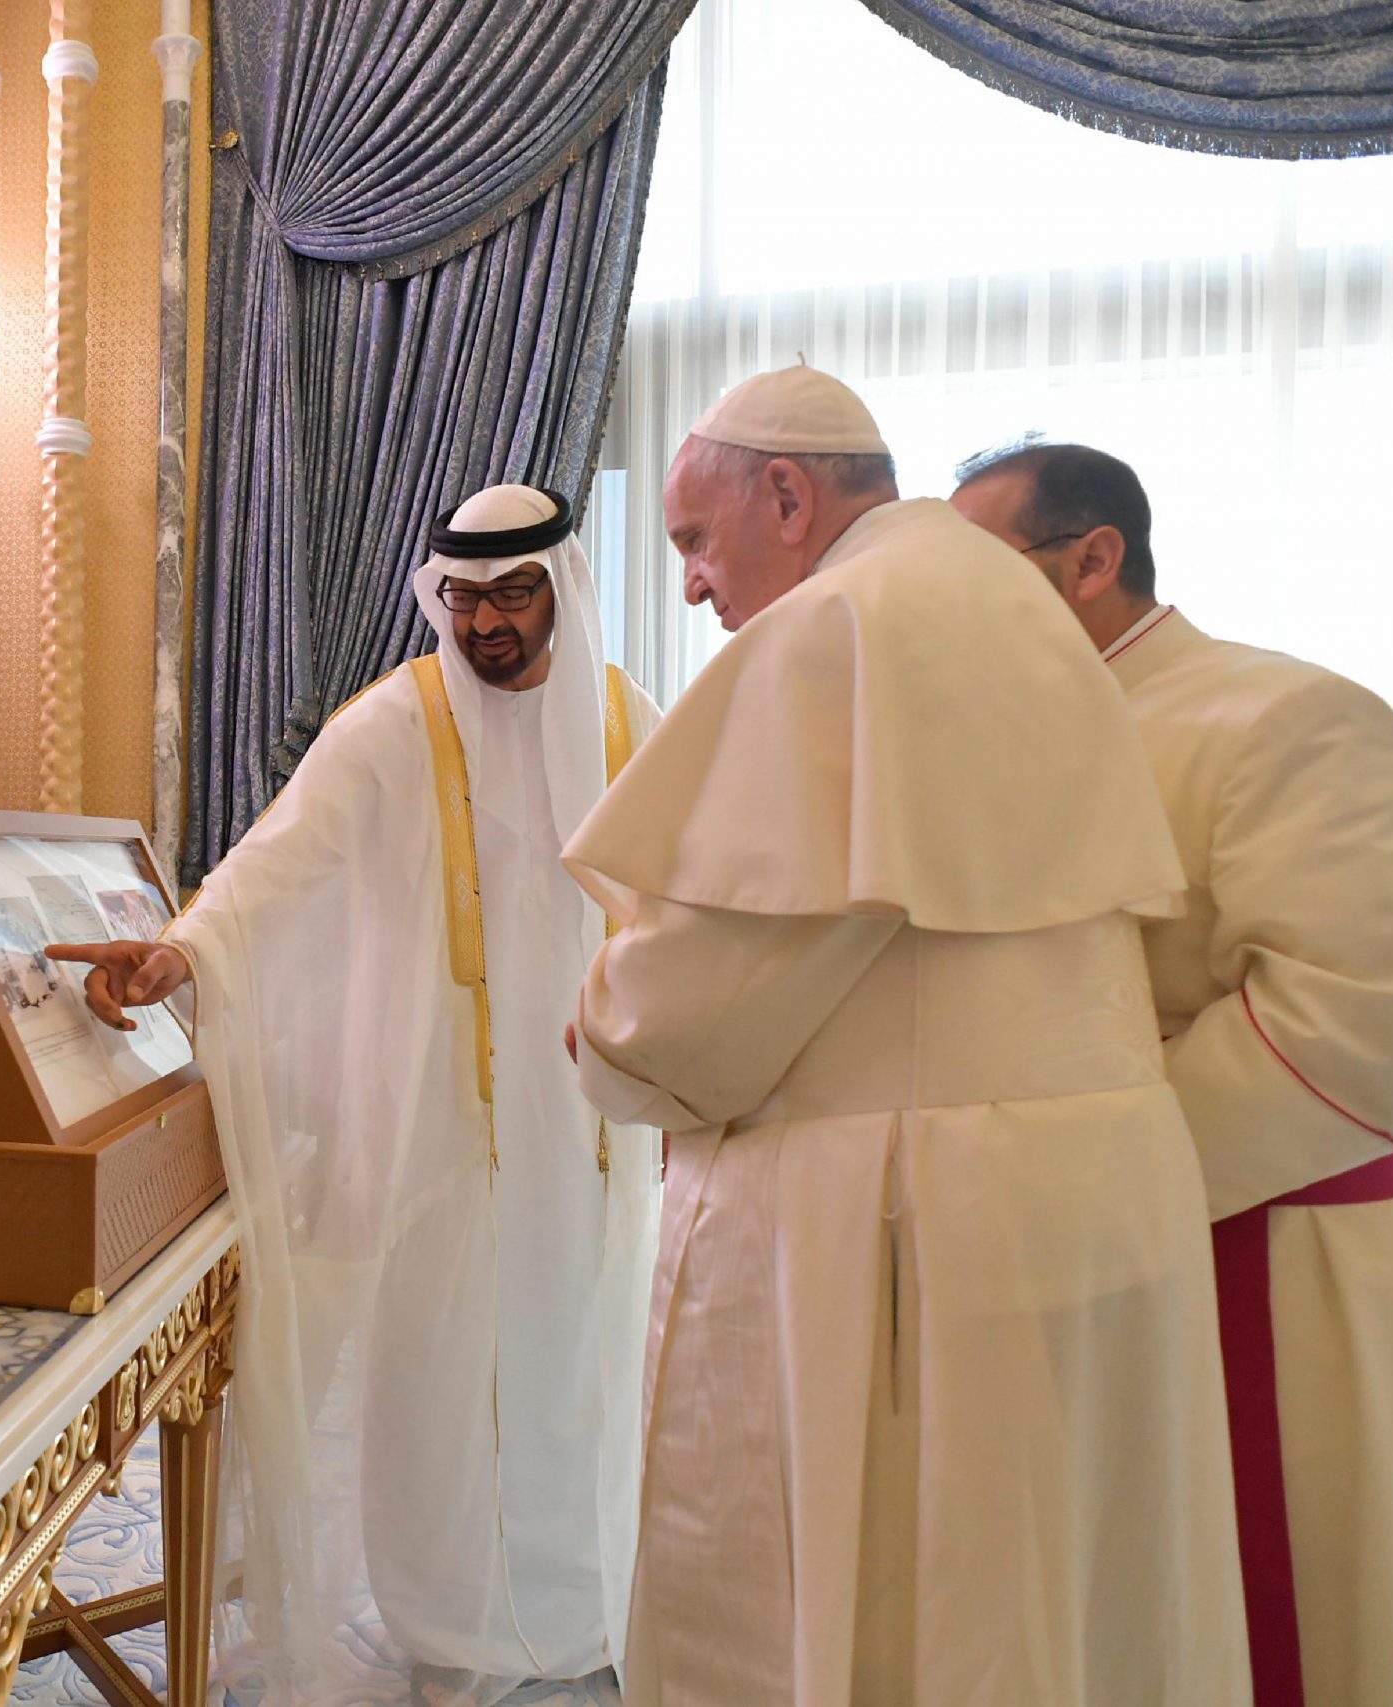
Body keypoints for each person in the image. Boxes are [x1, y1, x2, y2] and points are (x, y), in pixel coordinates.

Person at [565, 367, 1248, 1706]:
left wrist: (599, 1029)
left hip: (910, 1216)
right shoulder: (1012, 601)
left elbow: (708, 990)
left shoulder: (847, 622)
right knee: (1061, 1599)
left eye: (697, 539)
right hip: (1084, 1187)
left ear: (787, 493)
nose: (694, 584)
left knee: (905, 1615)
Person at [54, 484, 661, 1701]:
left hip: (593, 1120)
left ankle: (579, 1595)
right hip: (439, 1121)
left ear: (561, 588)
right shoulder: (394, 721)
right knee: (437, 1370)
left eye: (514, 593)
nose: (486, 621)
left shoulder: (624, 720)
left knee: (578, 1362)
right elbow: (277, 860)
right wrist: (176, 949)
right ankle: (449, 1613)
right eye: (465, 596)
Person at [951, 439, 1393, 1707]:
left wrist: (1084, 1165)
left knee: (1282, 1609)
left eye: (986, 576)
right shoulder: (995, 743)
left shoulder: (1285, 716)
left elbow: (1353, 1012)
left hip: (1259, 1246)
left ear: (1094, 560)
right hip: (1062, 1235)